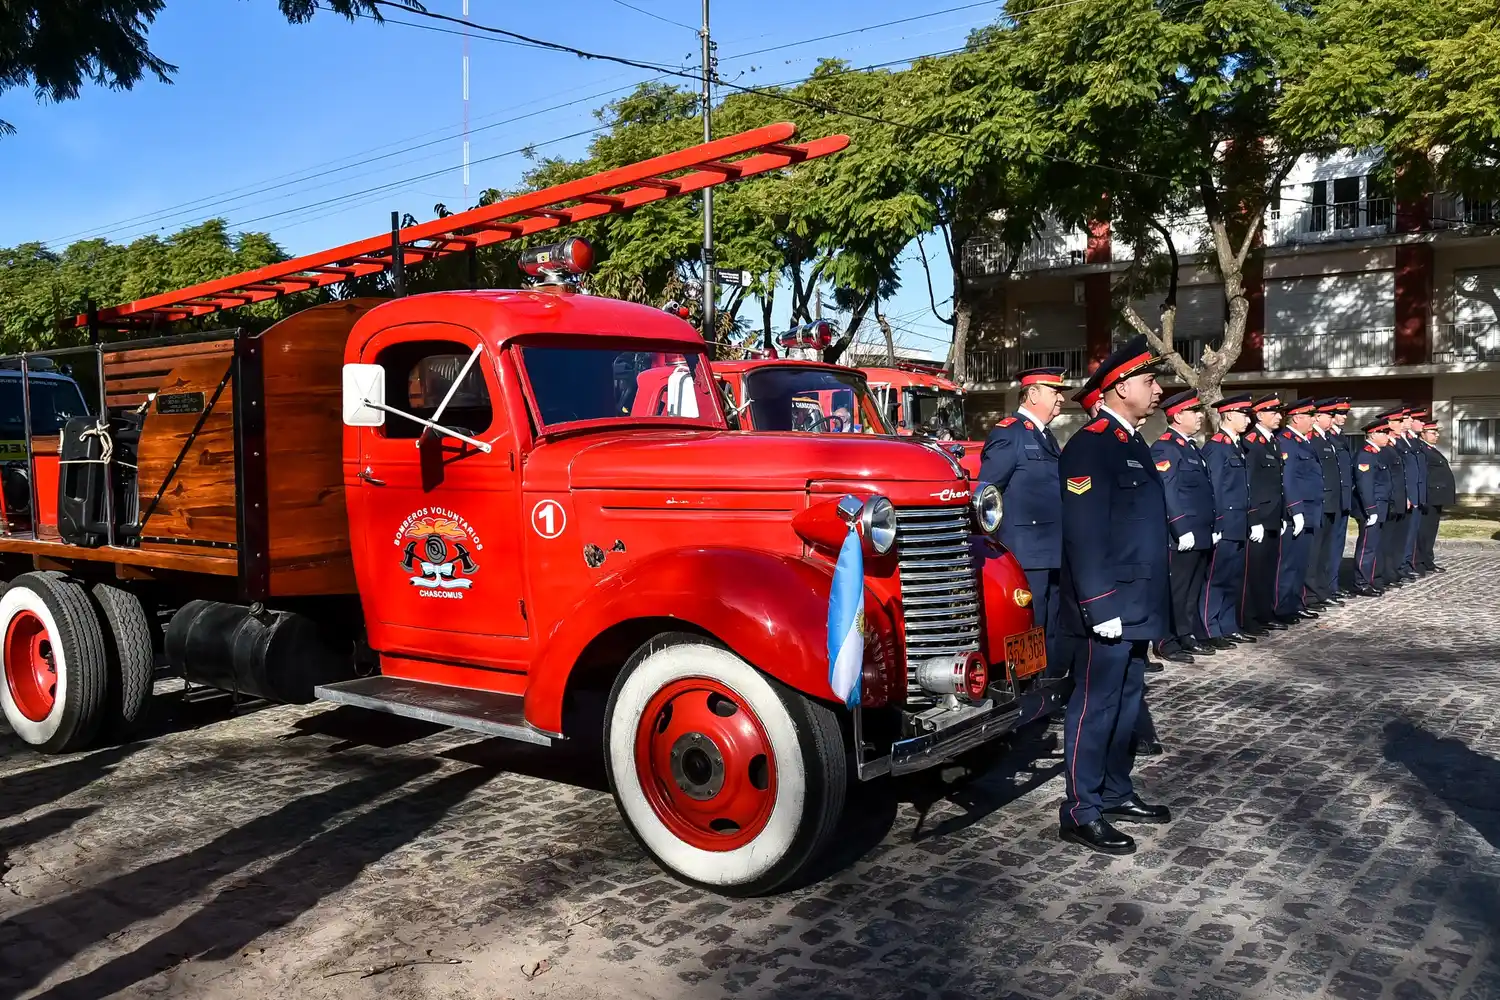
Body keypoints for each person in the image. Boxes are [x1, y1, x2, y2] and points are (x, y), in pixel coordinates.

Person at [1057, 335, 1172, 856]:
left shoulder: (1131, 443)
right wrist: (1099, 604)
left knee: (1127, 704)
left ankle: (1116, 790)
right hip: (1107, 606)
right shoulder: (1090, 445)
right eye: (1149, 381)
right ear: (1120, 386)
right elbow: (1084, 533)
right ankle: (1082, 809)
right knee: (1093, 707)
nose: (1157, 389)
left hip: (1139, 601)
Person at [978, 367, 1071, 673]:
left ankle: (1051, 685)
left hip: (1051, 550)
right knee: (1030, 626)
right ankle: (1028, 689)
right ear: (1032, 394)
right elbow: (987, 494)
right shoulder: (1010, 433)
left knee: (1052, 623)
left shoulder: (1046, 437)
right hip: (1025, 553)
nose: (1061, 399)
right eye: (1054, 392)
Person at [1151, 389, 1219, 663]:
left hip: (1201, 530)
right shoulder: (1165, 447)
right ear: (1178, 415)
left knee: (1193, 589)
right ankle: (1167, 640)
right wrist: (1180, 527)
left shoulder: (1192, 448)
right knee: (1176, 589)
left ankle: (1186, 634)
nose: (1201, 416)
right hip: (1183, 534)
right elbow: (1169, 491)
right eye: (1195, 411)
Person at [1201, 394, 1257, 641]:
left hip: (1239, 523)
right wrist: (1217, 523)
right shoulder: (1216, 446)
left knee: (1233, 577)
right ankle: (1209, 628)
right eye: (1244, 414)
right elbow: (1214, 488)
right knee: (1216, 578)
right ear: (1229, 414)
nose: (1248, 420)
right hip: (1225, 523)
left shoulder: (1236, 445)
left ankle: (1228, 625)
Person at [1274, 399, 1325, 623]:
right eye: (1310, 415)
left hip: (1311, 510)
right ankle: (1282, 606)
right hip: (1298, 512)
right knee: (1289, 563)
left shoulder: (1303, 442)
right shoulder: (1286, 442)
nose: (1315, 419)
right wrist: (1295, 510)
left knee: (1302, 561)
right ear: (1296, 418)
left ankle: (1296, 602)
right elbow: (1288, 479)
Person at [1242, 396, 1287, 631]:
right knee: (1254, 571)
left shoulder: (1273, 441)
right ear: (1259, 415)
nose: (1279, 416)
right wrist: (1254, 518)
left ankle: (1265, 612)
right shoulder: (1252, 442)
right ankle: (1249, 617)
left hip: (1273, 515)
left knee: (1269, 568)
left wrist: (1283, 515)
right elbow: (1249, 483)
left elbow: (1278, 482)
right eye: (1274, 412)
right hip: (1259, 516)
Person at [1303, 399, 1345, 609]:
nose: (1332, 418)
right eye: (1329, 415)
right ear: (1318, 417)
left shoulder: (1328, 439)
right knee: (1315, 551)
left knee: (1326, 550)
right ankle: (1311, 593)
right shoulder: (1312, 440)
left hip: (1331, 502)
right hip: (1320, 501)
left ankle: (1322, 589)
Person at [1353, 418, 1394, 595]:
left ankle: (1370, 579)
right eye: (1383, 433)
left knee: (1375, 545)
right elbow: (1365, 485)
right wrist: (1371, 510)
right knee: (1367, 546)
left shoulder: (1377, 453)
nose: (1387, 436)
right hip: (1372, 507)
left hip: (1381, 505)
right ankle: (1361, 581)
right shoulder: (1366, 455)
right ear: (1373, 434)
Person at [1377, 406, 1412, 589]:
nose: (1402, 425)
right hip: (1389, 500)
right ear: (1389, 424)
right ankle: (1384, 573)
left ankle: (1391, 571)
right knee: (1385, 540)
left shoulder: (1396, 445)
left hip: (1399, 498)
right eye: (1398, 421)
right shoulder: (1384, 449)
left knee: (1395, 539)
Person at [1326, 398, 1356, 598]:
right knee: (1328, 547)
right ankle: (1327, 587)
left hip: (1343, 498)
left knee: (1337, 546)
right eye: (1339, 413)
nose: (1343, 417)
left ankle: (1333, 584)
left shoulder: (1342, 437)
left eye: (1345, 414)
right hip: (1331, 499)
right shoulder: (1326, 438)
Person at [1417, 418, 1454, 573]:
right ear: (1422, 434)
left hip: (1436, 496)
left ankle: (1427, 560)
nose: (1436, 435)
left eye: (1437, 432)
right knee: (1424, 531)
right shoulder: (1422, 450)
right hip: (1429, 496)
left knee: (1431, 530)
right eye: (1432, 433)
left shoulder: (1431, 449)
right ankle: (1421, 561)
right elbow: (1421, 475)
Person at [1402, 408, 1431, 575]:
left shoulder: (1414, 442)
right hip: (1409, 494)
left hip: (1418, 493)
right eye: (1419, 420)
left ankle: (1409, 563)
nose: (1422, 424)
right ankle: (1404, 565)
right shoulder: (1400, 442)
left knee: (1413, 532)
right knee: (1406, 534)